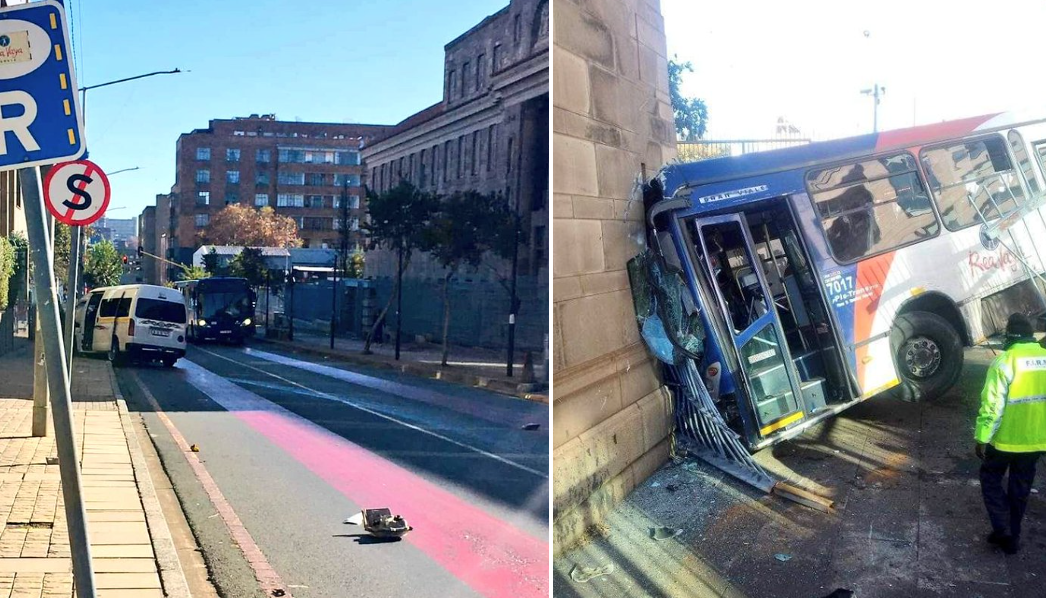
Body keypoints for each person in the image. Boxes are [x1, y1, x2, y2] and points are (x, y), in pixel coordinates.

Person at [975, 313, 1046, 554]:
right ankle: (1011, 536)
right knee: (1021, 488)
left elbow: (992, 407)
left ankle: (1002, 527)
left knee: (990, 479)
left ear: (1009, 336)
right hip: (1036, 441)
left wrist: (982, 438)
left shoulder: (1005, 362)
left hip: (1004, 442)